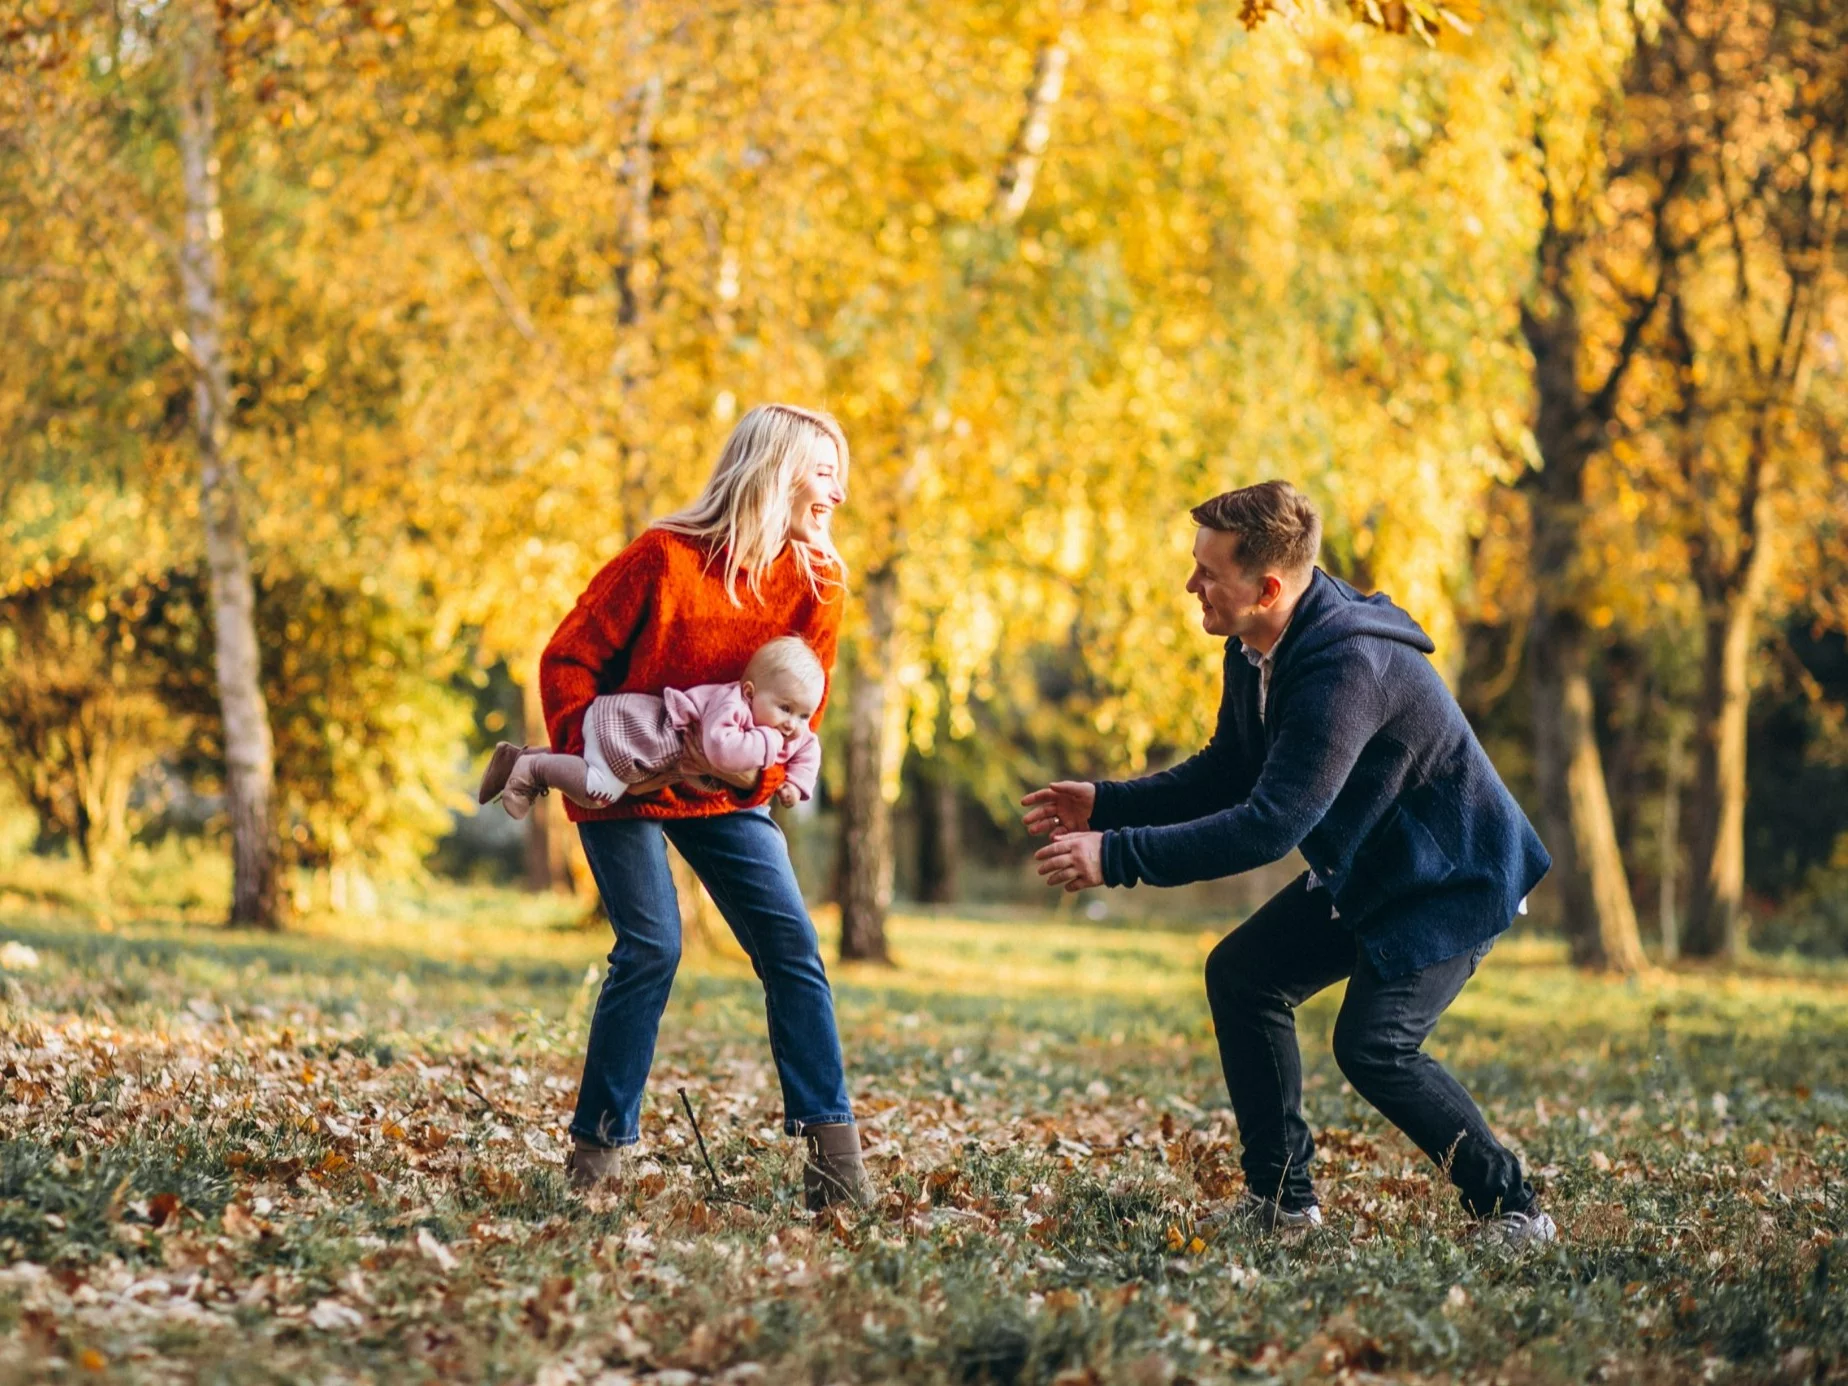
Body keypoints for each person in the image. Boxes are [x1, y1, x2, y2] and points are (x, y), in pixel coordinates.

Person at [1024, 481, 1556, 1246]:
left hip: (1451, 874)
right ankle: (1283, 1203)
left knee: (1374, 1045)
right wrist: (1107, 805)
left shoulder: (1345, 669)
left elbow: (1268, 827)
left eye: (1209, 572)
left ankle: (1515, 1210)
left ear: (1269, 587)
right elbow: (1230, 770)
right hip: (1369, 863)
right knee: (1243, 976)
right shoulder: (1256, 645)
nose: (1191, 585)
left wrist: (1118, 858)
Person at [538, 404, 871, 1208]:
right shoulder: (663, 559)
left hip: (727, 790)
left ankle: (836, 1163)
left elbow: (803, 717)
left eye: (840, 474)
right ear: (773, 468)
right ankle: (597, 1156)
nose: (838, 492)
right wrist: (603, 756)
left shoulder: (817, 584)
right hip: (622, 773)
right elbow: (567, 659)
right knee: (652, 947)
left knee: (792, 943)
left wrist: (747, 781)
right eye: (823, 471)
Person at [477, 635, 825, 818]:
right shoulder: (732, 705)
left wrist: (797, 782)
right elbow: (720, 751)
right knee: (599, 792)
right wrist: (766, 743)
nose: (793, 725)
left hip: (643, 749)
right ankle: (533, 768)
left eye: (803, 715)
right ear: (750, 693)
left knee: (597, 776)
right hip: (633, 732)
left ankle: (514, 759)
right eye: (785, 709)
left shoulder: (788, 729)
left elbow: (809, 748)